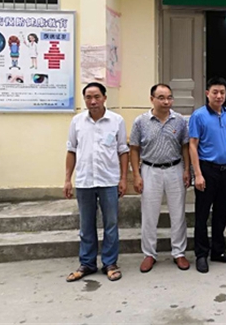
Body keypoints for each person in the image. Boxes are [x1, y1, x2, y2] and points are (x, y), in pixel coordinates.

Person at [64, 82, 129, 282]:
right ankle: (87, 263)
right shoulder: (77, 121)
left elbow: (123, 151)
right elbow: (71, 150)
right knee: (86, 225)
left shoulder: (116, 121)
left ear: (104, 98)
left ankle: (110, 263)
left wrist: (123, 178)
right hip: (85, 181)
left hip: (109, 180)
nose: (93, 101)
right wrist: (67, 179)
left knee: (111, 224)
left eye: (97, 97)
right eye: (88, 97)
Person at [130, 84, 191, 273]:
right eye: (161, 98)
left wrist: (187, 170)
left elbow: (185, 146)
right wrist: (136, 175)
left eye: (169, 97)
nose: (166, 102)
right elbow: (134, 149)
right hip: (150, 170)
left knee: (178, 213)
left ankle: (179, 252)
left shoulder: (179, 121)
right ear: (152, 99)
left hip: (175, 169)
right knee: (149, 214)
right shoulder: (141, 122)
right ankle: (149, 254)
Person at [188, 77, 226, 273]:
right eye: (215, 92)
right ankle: (201, 254)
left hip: (225, 170)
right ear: (207, 93)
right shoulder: (199, 116)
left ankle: (218, 250)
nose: (219, 96)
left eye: (222, 92)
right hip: (207, 170)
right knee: (202, 214)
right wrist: (197, 174)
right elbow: (192, 145)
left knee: (221, 212)